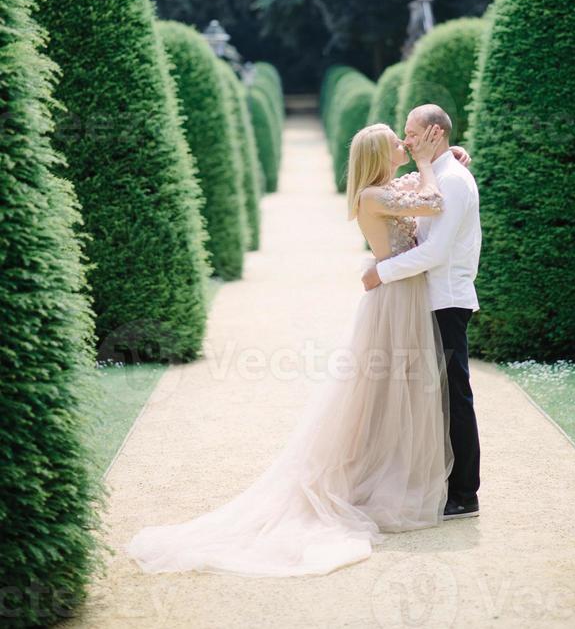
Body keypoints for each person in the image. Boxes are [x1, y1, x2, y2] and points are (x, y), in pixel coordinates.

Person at [124, 122, 468, 577]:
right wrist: (428, 162)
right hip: (394, 298)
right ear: (378, 153)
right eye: (395, 140)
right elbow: (434, 200)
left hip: (405, 293)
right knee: (383, 388)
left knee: (402, 388)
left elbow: (424, 190)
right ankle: (381, 476)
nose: (404, 143)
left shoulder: (386, 187)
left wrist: (450, 157)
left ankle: (398, 471)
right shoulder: (372, 196)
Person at [362, 104, 482, 520]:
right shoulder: (441, 174)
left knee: (454, 395)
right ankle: (435, 482)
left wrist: (382, 272)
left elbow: (435, 252)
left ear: (433, 133)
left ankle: (464, 493)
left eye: (411, 133)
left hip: (445, 299)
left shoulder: (454, 181)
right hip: (424, 298)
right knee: (429, 398)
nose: (406, 140)